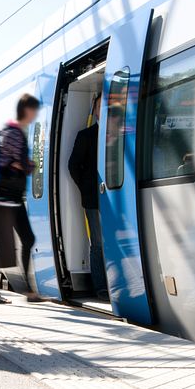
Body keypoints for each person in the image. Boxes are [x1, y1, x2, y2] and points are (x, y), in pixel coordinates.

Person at [0, 94, 42, 303]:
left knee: (26, 238)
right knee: (0, 243)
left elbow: (17, 162)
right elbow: (19, 163)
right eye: (34, 110)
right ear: (27, 110)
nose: (36, 114)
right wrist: (29, 164)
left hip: (12, 197)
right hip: (5, 196)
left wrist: (24, 164)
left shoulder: (14, 132)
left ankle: (28, 291)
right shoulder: (13, 133)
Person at [67, 95, 108, 299]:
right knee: (98, 244)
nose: (106, 107)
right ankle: (101, 287)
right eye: (101, 104)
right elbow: (73, 165)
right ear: (95, 109)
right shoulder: (86, 136)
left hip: (116, 198)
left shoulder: (121, 133)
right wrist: (86, 188)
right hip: (94, 198)